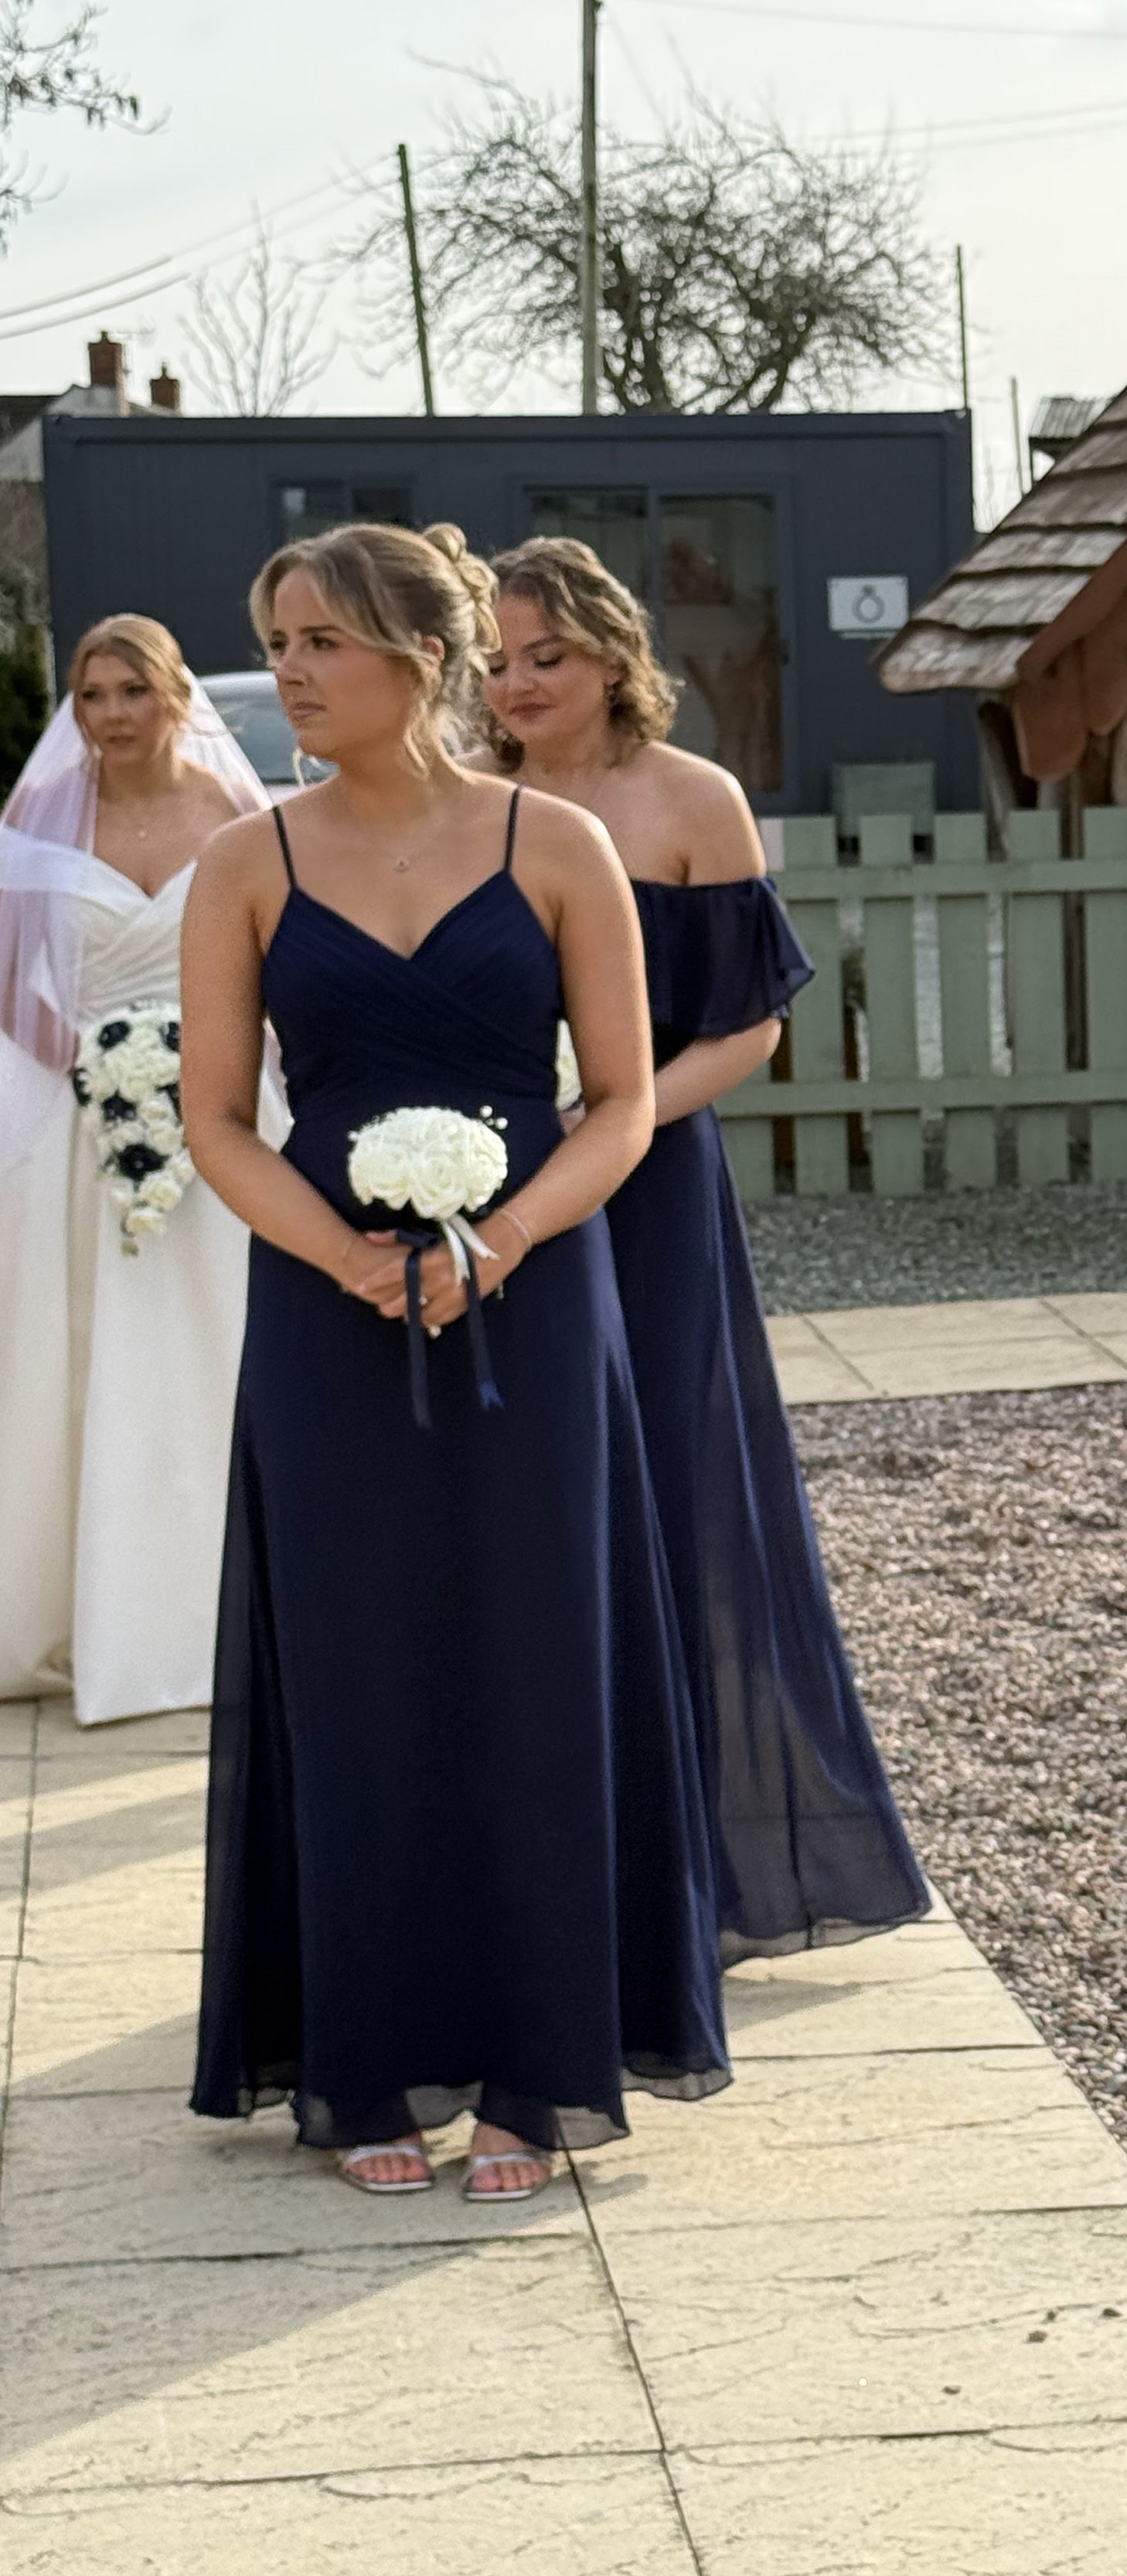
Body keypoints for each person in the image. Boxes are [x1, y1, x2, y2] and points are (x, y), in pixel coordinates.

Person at [182, 522, 727, 2200]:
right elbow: (215, 1116)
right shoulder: (246, 860)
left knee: (536, 1655)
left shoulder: (554, 843)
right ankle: (358, 2065)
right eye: (277, 639)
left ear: (421, 657)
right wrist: (341, 1248)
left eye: (319, 641)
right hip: (324, 1318)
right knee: (356, 1669)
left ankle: (536, 2064)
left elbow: (626, 1099)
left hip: (538, 1308)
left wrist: (504, 1237)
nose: (287, 672)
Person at [477, 536, 927, 1962]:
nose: (516, 683)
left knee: (674, 1480)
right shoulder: (469, 808)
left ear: (614, 655)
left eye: (544, 655)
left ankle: (696, 1862)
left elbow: (754, 1024)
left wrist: (616, 1111)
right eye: (493, 660)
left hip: (652, 1185)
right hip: (488, 1189)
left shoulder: (693, 801)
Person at [0, 616, 270, 1727]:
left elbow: (274, 957)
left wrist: (208, 1068)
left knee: (217, 1349)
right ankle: (76, 1611)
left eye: (131, 692)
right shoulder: (39, 816)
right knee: (74, 1356)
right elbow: (7, 973)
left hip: (227, 1113)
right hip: (80, 1122)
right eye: (91, 692)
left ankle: (226, 1613)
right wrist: (85, 1059)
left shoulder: (237, 815)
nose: (110, 714)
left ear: (175, 698)